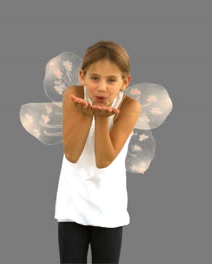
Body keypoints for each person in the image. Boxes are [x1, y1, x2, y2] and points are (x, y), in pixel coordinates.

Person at [55, 40, 141, 264]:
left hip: (109, 206)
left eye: (111, 80)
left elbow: (104, 160)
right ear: (82, 76)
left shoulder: (130, 106)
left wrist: (102, 119)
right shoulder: (73, 94)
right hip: (73, 202)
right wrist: (86, 115)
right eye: (94, 78)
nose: (102, 87)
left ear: (125, 81)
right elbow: (72, 155)